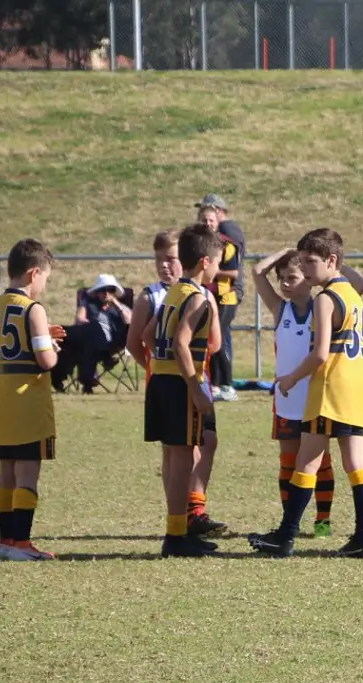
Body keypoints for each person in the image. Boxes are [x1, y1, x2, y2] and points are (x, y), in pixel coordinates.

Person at [250, 228, 363, 560]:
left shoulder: (324, 298)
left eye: (311, 262)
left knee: (306, 462)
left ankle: (285, 536)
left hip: (329, 389)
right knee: (355, 462)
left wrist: (291, 378)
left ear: (331, 261)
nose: (306, 269)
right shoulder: (353, 294)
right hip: (354, 389)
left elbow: (320, 353)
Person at [137, 226, 226, 558]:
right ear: (205, 261)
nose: (218, 269)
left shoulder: (174, 291)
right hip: (179, 384)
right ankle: (176, 536)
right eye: (217, 262)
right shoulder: (199, 298)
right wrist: (196, 388)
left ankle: (178, 531)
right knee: (184, 460)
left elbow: (148, 336)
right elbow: (181, 344)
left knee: (176, 460)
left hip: (159, 380)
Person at [253, 248, 340, 539]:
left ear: (309, 279)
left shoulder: (323, 307)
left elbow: (358, 284)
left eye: (292, 277)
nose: (284, 283)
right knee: (288, 460)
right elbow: (256, 272)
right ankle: (290, 520)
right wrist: (283, 253)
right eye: (281, 278)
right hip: (287, 399)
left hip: (315, 398)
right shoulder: (281, 310)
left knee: (321, 461)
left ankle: (323, 521)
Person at [0, 239, 63, 561]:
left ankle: (5, 540)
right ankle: (22, 543)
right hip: (28, 403)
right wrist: (53, 349)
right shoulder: (33, 308)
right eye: (45, 277)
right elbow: (45, 361)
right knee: (27, 471)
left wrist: (43, 334)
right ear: (34, 273)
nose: (44, 284)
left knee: (6, 471)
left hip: (2, 402)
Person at [196, 195, 245, 403]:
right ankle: (215, 384)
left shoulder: (226, 243)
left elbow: (234, 272)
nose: (207, 224)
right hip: (210, 297)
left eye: (211, 221)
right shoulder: (201, 244)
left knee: (217, 339)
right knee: (213, 339)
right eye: (204, 220)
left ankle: (227, 384)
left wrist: (212, 273)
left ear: (217, 221)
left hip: (226, 298)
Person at [57, 274, 132, 394]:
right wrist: (85, 318)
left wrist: (116, 304)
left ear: (114, 293)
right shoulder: (89, 305)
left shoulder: (121, 308)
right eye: (102, 290)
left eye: (110, 290)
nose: (106, 293)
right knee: (78, 334)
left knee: (77, 343)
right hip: (90, 343)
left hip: (112, 342)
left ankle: (59, 379)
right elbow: (79, 320)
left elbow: (130, 322)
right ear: (97, 292)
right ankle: (102, 364)